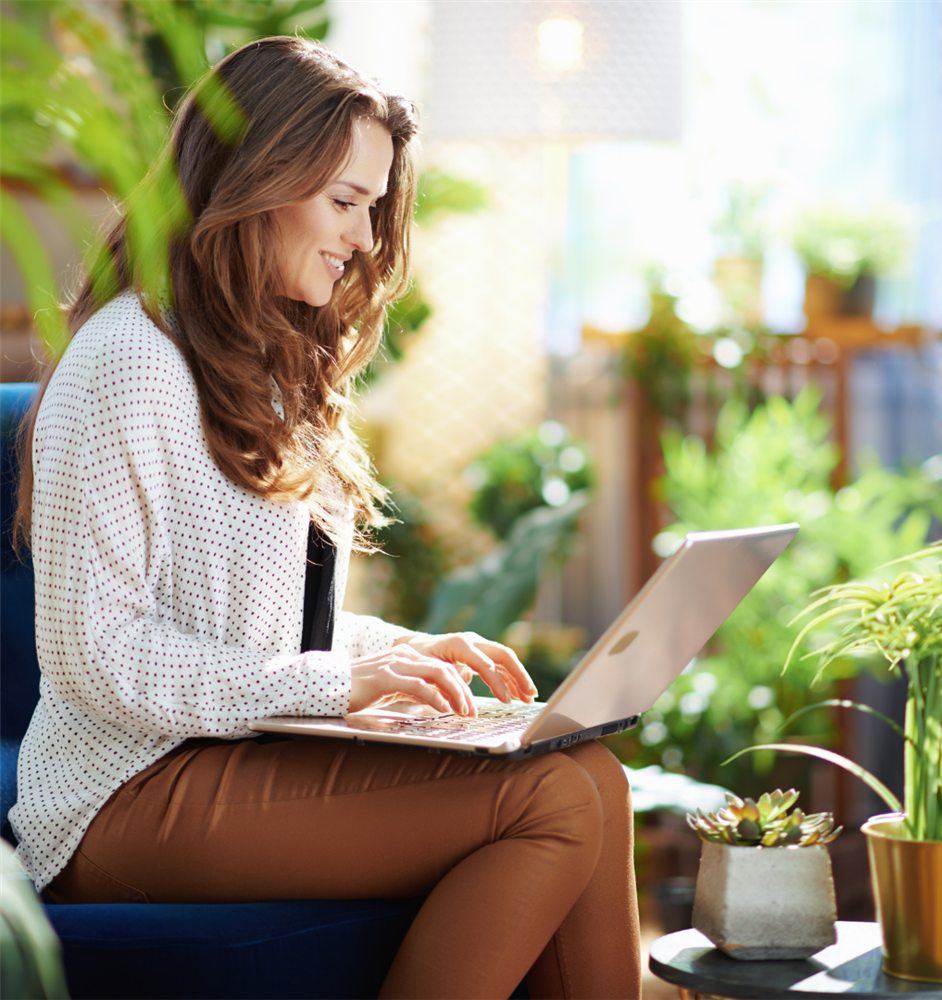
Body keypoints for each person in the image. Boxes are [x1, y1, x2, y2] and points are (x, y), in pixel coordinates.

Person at [11, 36, 640, 999]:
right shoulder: (128, 360)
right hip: (122, 795)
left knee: (594, 777)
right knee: (552, 798)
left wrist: (411, 654)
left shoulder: (269, 364)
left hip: (240, 757)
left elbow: (261, 633)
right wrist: (340, 683)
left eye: (374, 207)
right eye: (344, 201)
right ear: (253, 180)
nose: (362, 236)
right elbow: (98, 658)